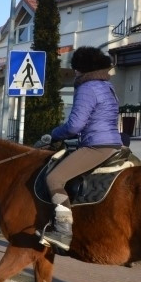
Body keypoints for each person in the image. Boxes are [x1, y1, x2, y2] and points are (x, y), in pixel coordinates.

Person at [40, 46, 124, 251]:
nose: (75, 72)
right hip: (113, 143)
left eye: (76, 69)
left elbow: (75, 125)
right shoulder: (106, 86)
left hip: (97, 146)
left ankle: (62, 231)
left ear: (82, 69)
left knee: (54, 179)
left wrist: (53, 134)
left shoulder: (87, 87)